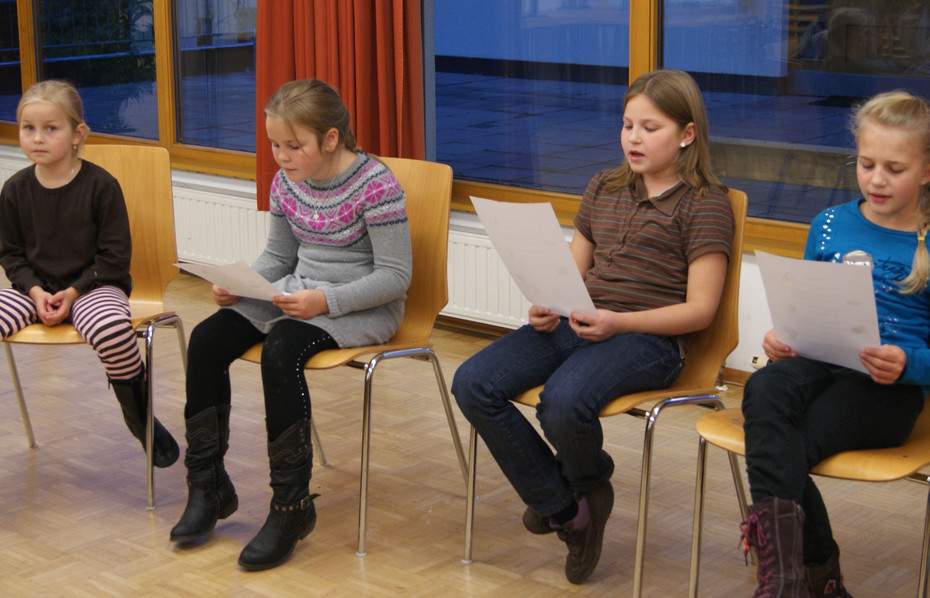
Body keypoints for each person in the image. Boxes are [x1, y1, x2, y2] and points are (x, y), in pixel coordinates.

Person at [451, 69, 735, 584]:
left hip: (650, 339)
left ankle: (583, 487)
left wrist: (618, 322)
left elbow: (700, 311)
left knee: (561, 401)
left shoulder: (705, 202)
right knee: (473, 382)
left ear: (687, 134)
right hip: (582, 320)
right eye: (627, 125)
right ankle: (568, 505)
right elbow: (572, 272)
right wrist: (547, 303)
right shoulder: (604, 185)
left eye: (650, 128)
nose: (633, 138)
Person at [169, 79, 412, 571]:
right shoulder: (287, 181)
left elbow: (395, 276)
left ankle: (291, 506)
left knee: (282, 349)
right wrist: (241, 284)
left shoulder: (377, 185)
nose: (281, 156)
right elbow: (279, 257)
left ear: (331, 138)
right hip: (301, 293)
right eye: (274, 145)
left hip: (363, 306)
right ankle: (207, 485)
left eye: (293, 145)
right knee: (208, 337)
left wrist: (326, 300)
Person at [740, 90, 930, 598]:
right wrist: (783, 336)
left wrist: (909, 363)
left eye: (894, 168)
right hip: (819, 363)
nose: (877, 179)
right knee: (763, 388)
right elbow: (805, 306)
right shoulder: (830, 224)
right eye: (867, 164)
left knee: (782, 449)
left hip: (886, 386)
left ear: (926, 171)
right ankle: (793, 581)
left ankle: (806, 578)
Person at [0, 80, 179, 468]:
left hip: (95, 287)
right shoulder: (14, 189)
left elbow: (114, 258)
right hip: (33, 292)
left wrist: (72, 293)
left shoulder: (101, 186)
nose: (37, 138)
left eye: (51, 128)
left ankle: (139, 417)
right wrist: (34, 292)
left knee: (111, 329)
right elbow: (11, 255)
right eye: (28, 128)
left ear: (77, 134)